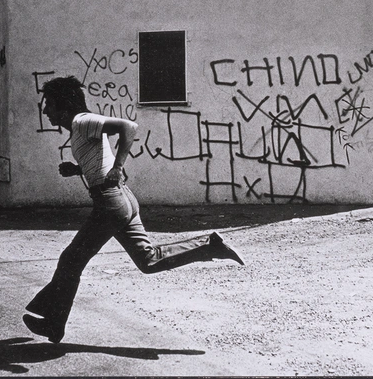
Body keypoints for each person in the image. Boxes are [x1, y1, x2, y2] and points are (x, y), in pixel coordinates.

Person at [23, 76, 245, 343]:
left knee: (71, 260)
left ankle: (54, 323)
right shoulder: (80, 128)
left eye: (49, 104)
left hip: (111, 204)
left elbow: (129, 126)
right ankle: (210, 244)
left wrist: (118, 167)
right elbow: (100, 158)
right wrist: (78, 169)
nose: (45, 111)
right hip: (123, 199)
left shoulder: (82, 120)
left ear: (64, 107)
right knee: (148, 260)